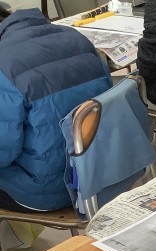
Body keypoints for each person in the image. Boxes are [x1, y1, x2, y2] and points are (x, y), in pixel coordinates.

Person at [0, 8, 112, 212]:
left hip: (48, 190)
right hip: (100, 172)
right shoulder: (77, 38)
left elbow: (3, 151)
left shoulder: (3, 65)